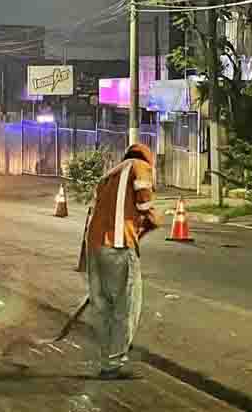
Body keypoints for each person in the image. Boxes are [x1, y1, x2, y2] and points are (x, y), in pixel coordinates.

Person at [83, 143, 160, 379]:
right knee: (126, 306)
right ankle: (113, 363)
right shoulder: (140, 167)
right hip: (118, 246)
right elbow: (144, 202)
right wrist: (151, 217)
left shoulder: (110, 175)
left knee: (103, 306)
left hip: (95, 247)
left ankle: (106, 358)